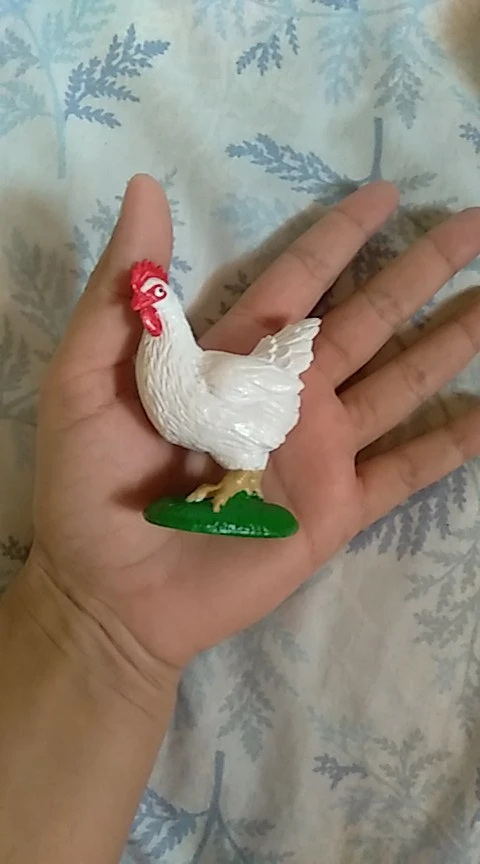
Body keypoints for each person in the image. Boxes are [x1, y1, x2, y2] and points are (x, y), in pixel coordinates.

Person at [1, 174, 480, 862]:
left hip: (257, 407)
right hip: (226, 415)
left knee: (239, 448)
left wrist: (92, 629)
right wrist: (88, 617)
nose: (147, 306)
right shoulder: (169, 373)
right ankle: (234, 484)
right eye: (149, 301)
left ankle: (238, 485)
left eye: (155, 298)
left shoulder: (203, 380)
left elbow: (258, 420)